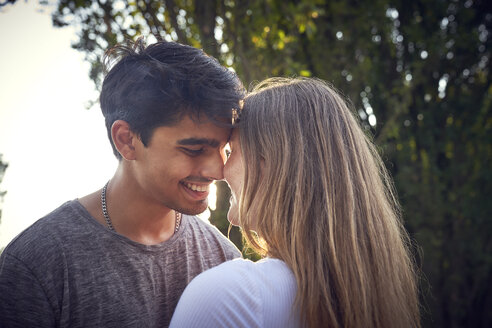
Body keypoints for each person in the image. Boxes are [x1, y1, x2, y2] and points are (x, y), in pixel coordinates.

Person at [0, 38, 244, 327]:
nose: (219, 170)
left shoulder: (224, 258)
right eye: (194, 150)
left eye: (224, 150)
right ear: (127, 140)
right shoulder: (38, 263)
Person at [170, 77, 421, 328]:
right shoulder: (381, 296)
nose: (221, 171)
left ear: (269, 162)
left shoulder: (229, 299)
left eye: (231, 151)